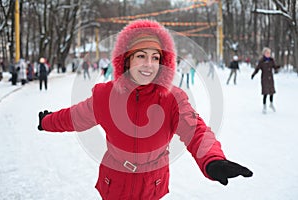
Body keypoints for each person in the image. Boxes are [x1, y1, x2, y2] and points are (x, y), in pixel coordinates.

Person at [37, 19, 253, 199]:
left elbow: (196, 130)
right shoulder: (105, 96)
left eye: (155, 57)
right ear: (126, 60)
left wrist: (212, 160)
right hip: (114, 184)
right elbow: (75, 117)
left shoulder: (172, 98)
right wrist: (47, 122)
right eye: (141, 56)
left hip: (152, 185)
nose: (149, 64)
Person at [251, 47, 279, 114]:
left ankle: (271, 104)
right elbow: (257, 69)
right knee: (265, 93)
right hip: (264, 79)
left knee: (272, 92)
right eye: (267, 53)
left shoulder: (272, 60)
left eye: (269, 53)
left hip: (270, 78)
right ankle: (264, 106)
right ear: (264, 53)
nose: (268, 54)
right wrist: (253, 74)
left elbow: (274, 67)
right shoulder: (262, 61)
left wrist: (277, 68)